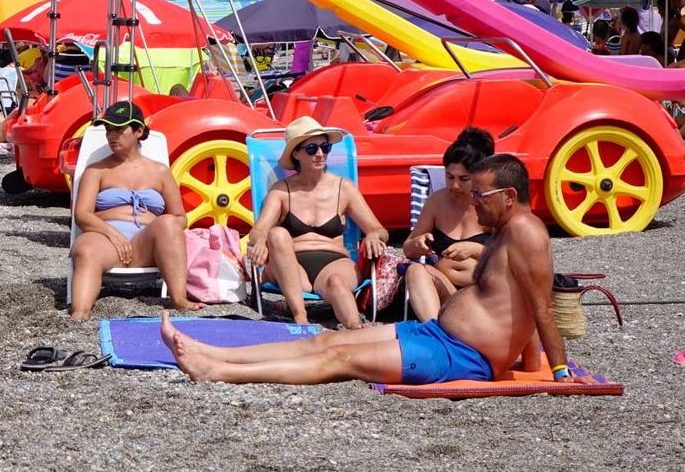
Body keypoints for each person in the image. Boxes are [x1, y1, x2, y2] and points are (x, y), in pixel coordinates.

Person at [162, 154, 598, 388]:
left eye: (480, 195)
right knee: (328, 338)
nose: (473, 201)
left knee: (340, 359)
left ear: (509, 195)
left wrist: (558, 372)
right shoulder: (509, 229)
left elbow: (540, 305)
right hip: (440, 337)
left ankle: (218, 372)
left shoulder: (525, 229)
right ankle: (212, 353)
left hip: (463, 357)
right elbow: (517, 305)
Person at [244, 116, 387, 329]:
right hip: (291, 266)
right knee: (277, 234)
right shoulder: (282, 190)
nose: (320, 154)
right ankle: (301, 317)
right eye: (311, 148)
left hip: (333, 263)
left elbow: (378, 229)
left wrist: (374, 235)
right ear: (296, 154)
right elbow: (259, 230)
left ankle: (356, 328)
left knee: (337, 283)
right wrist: (262, 240)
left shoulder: (344, 188)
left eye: (325, 147)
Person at [69, 101, 204, 320]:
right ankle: (79, 313)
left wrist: (161, 227)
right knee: (85, 249)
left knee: (169, 223)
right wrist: (113, 234)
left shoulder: (160, 172)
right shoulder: (96, 170)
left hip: (146, 244)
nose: (112, 136)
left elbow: (180, 217)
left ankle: (179, 299)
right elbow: (82, 214)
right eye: (109, 130)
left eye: (119, 130)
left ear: (138, 131)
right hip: (107, 241)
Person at [402, 128, 495, 321]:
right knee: (415, 271)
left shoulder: (491, 206)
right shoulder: (437, 201)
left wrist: (477, 250)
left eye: (464, 179)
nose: (454, 186)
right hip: (447, 291)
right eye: (449, 177)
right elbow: (408, 250)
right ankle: (435, 332)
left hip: (485, 296)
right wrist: (417, 243)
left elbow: (515, 257)